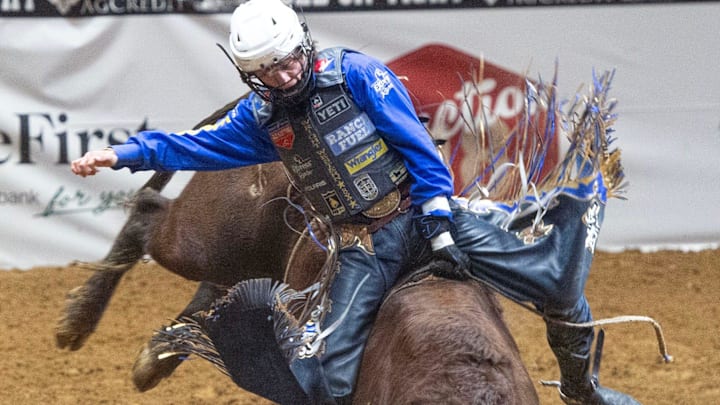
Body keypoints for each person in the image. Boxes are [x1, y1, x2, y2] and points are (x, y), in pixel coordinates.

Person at [71, 1, 640, 404]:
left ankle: (582, 388)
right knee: (325, 379)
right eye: (269, 69)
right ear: (252, 75)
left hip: (422, 214)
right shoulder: (259, 121)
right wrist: (121, 155)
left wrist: (440, 216)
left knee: (559, 281)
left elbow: (417, 146)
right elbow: (190, 146)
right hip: (362, 246)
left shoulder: (358, 76)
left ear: (303, 44)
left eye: (289, 57)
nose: (286, 72)